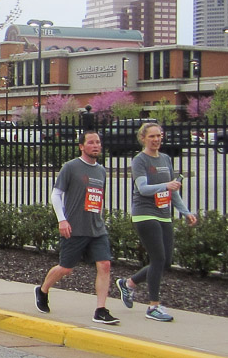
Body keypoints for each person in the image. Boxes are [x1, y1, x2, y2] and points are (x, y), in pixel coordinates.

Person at [114, 122, 198, 322]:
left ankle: (128, 284)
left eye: (159, 135)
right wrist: (166, 185)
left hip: (163, 214)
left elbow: (172, 191)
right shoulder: (139, 160)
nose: (156, 139)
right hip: (144, 214)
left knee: (165, 261)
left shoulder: (166, 159)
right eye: (152, 136)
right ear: (143, 138)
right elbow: (143, 188)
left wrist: (185, 212)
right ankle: (153, 306)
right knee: (158, 258)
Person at [34, 131, 119, 324]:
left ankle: (101, 310)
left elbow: (98, 199)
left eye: (98, 142)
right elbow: (56, 194)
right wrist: (62, 220)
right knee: (65, 268)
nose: (95, 145)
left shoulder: (101, 171)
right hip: (74, 228)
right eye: (91, 142)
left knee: (105, 264)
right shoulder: (71, 167)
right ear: (81, 146)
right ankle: (43, 290)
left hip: (97, 228)